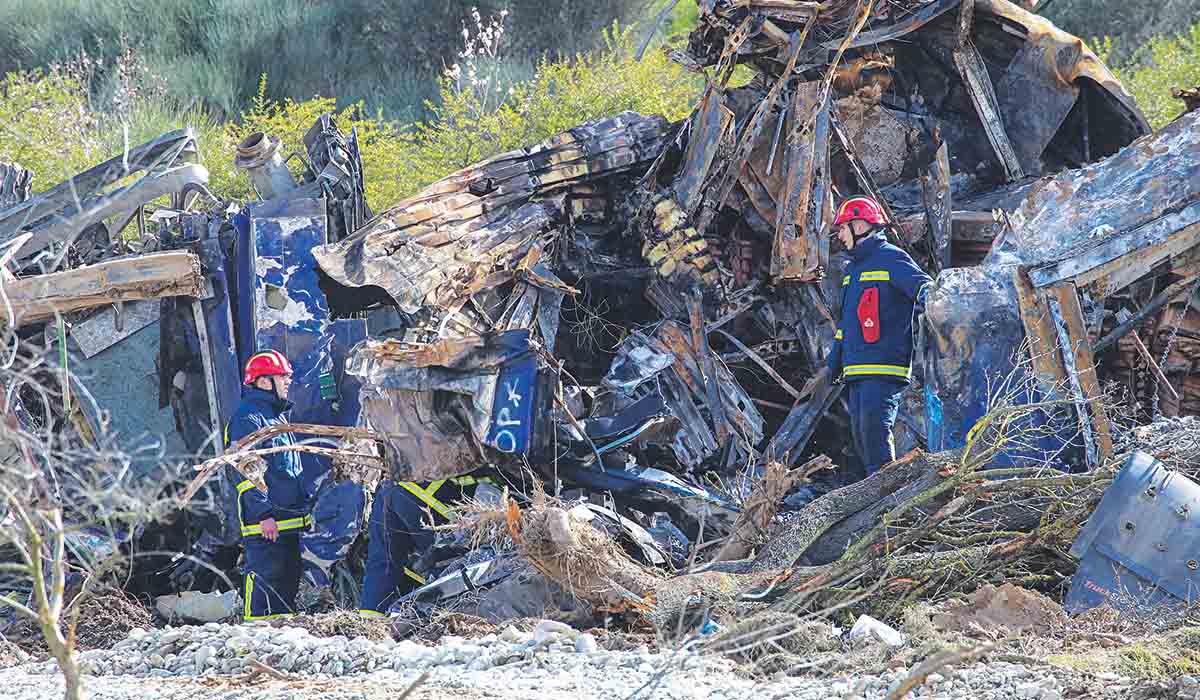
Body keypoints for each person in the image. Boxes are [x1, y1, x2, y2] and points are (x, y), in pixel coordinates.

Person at [826, 196, 932, 477]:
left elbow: (925, 289)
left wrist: (941, 305)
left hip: (884, 367)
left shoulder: (891, 257)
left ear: (860, 225)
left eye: (843, 228)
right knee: (862, 439)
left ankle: (891, 504)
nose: (839, 235)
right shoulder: (852, 271)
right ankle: (879, 498)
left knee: (876, 439)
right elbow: (845, 325)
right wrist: (834, 363)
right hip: (856, 369)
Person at [226, 350, 311, 621]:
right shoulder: (247, 418)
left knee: (287, 580)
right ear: (264, 382)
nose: (288, 382)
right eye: (282, 377)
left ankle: (281, 635)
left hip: (288, 519)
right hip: (266, 522)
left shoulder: (276, 417)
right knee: (265, 579)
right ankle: (255, 634)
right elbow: (246, 470)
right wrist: (263, 514)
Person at [359, 475, 495, 617]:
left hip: (393, 486)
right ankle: (449, 613)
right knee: (450, 559)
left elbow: (382, 559)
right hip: (436, 493)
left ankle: (371, 619)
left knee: (383, 560)